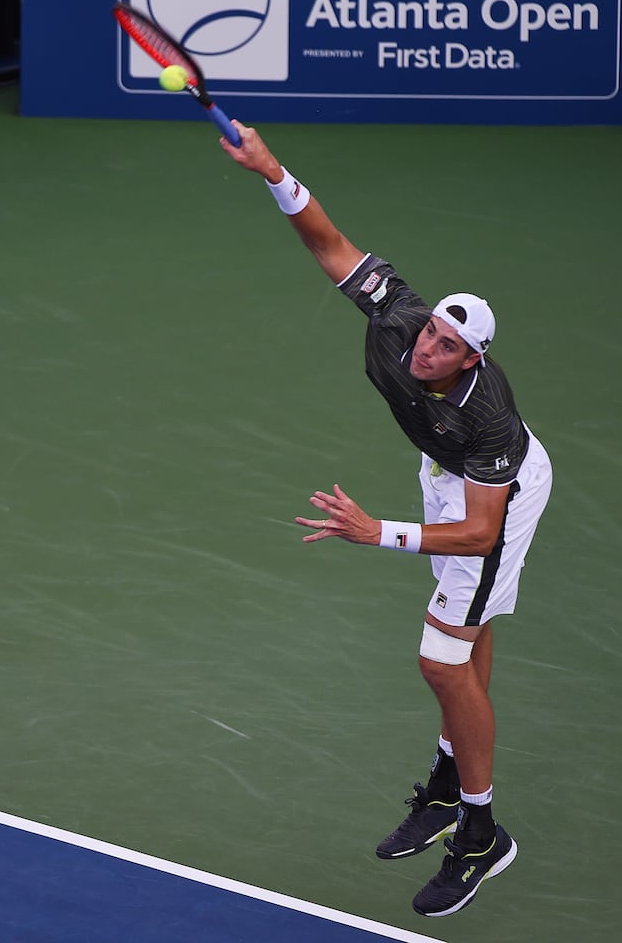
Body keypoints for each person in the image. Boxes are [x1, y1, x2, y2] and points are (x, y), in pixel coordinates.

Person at [218, 121, 553, 919]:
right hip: (446, 478)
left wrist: (380, 533)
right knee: (467, 631)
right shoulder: (399, 319)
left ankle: (480, 835)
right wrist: (271, 169)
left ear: (471, 361)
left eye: (448, 346)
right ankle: (446, 780)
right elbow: (328, 243)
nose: (428, 349)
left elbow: (481, 535)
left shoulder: (489, 420)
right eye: (433, 330)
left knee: (441, 660)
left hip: (493, 495)